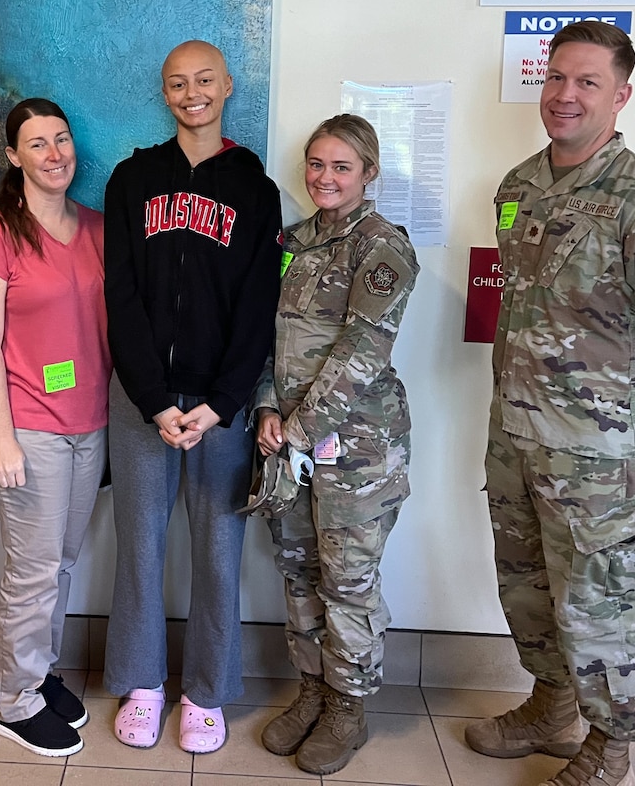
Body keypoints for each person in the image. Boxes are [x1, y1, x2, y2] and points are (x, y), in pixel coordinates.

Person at [467, 21, 635, 786]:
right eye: (557, 79)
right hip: (516, 436)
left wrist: (620, 420)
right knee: (527, 585)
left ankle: (610, 748)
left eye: (587, 82)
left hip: (599, 457)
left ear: (622, 94)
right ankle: (552, 706)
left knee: (603, 604)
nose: (566, 96)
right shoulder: (517, 188)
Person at [103, 39, 282, 753]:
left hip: (221, 407)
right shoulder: (131, 179)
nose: (191, 93)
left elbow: (259, 303)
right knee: (139, 548)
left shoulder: (255, 188)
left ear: (228, 85)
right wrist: (151, 396)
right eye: (177, 83)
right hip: (143, 398)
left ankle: (206, 692)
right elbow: (120, 293)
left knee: (217, 549)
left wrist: (225, 399)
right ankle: (143, 683)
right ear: (165, 92)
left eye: (204, 80)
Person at [251, 114, 418, 775]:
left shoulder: (382, 247)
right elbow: (266, 336)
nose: (325, 177)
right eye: (317, 164)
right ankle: (312, 690)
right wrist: (266, 405)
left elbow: (362, 352)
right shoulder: (290, 243)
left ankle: (348, 708)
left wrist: (298, 429)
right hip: (287, 444)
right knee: (298, 571)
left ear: (368, 173)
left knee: (347, 582)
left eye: (341, 166)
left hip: (357, 450)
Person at [0, 98, 110, 757]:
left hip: (91, 424)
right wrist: (3, 439)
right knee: (34, 567)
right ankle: (13, 702)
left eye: (62, 140)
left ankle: (40, 671)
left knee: (63, 561)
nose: (55, 154)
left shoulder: (99, 228)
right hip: (31, 431)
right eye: (38, 144)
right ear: (13, 156)